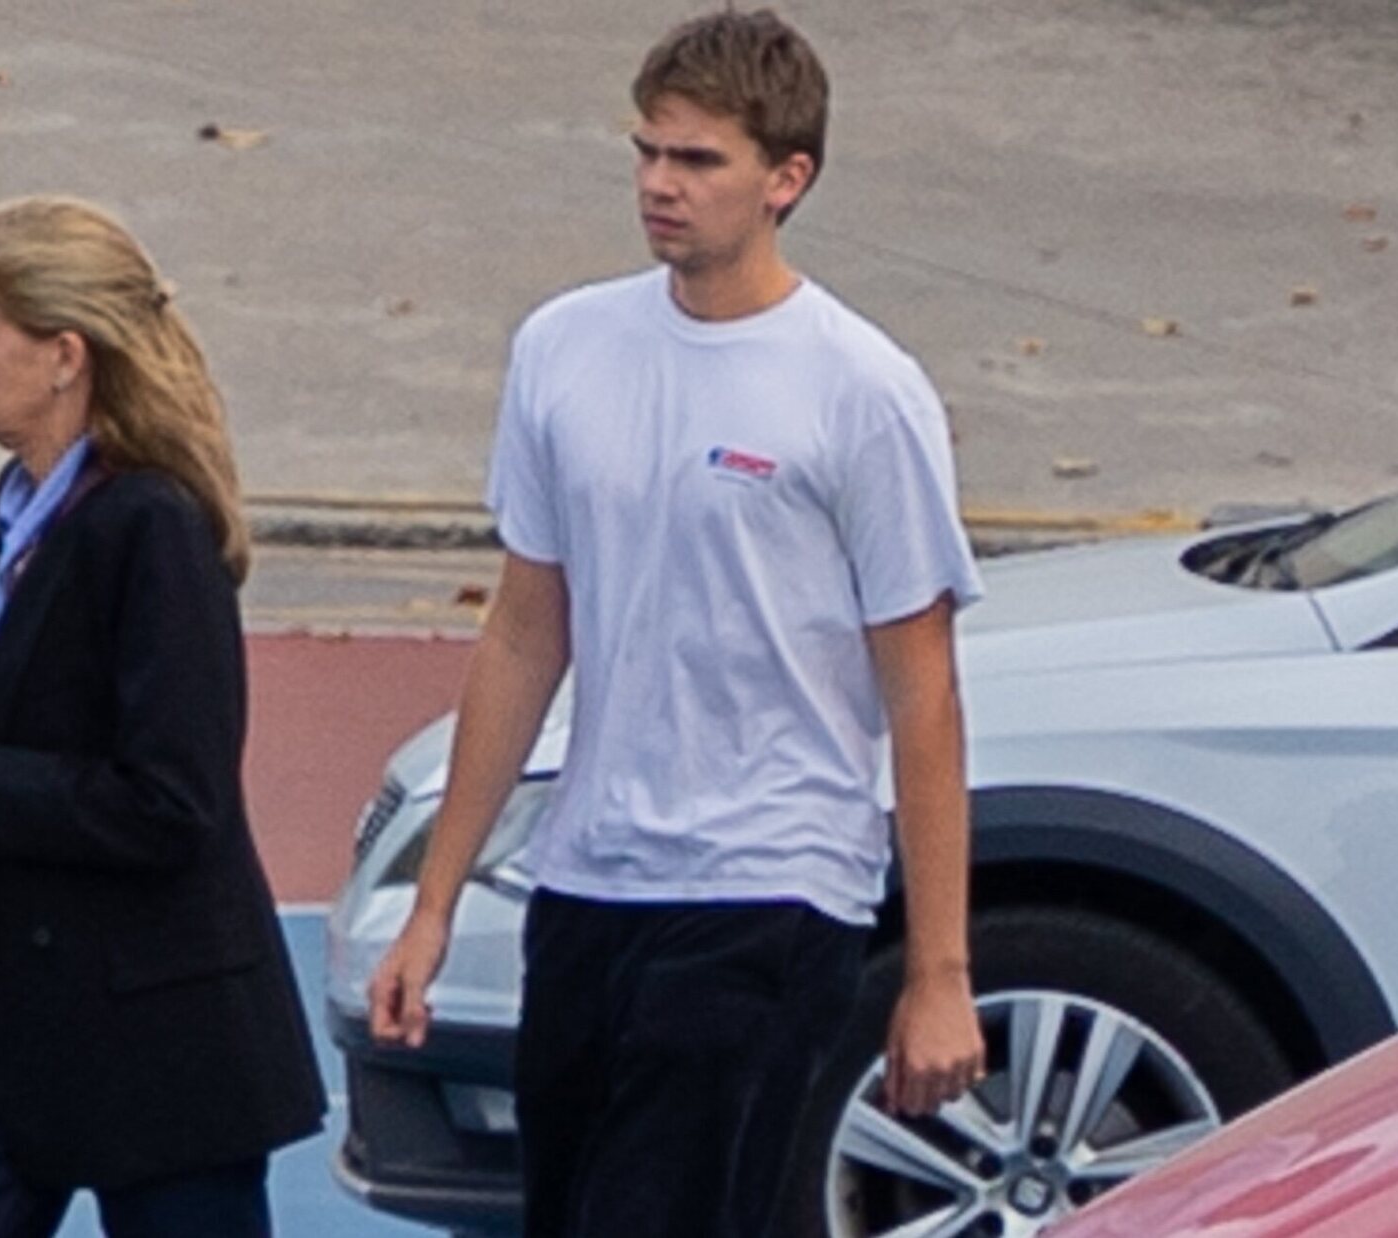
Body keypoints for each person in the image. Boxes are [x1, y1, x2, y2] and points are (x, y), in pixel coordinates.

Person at [365, 10, 987, 1237]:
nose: (659, 184)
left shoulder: (861, 391)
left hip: (771, 888)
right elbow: (524, 633)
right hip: (589, 888)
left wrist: (937, 973)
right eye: (647, 151)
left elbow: (921, 693)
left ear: (784, 179)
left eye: (697, 160)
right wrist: (432, 906)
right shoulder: (561, 348)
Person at [0, 195, 325, 1238]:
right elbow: (19, 737)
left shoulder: (151, 528)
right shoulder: (20, 505)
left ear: (63, 354)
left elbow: (172, 801)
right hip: (5, 1010)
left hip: (158, 1036)